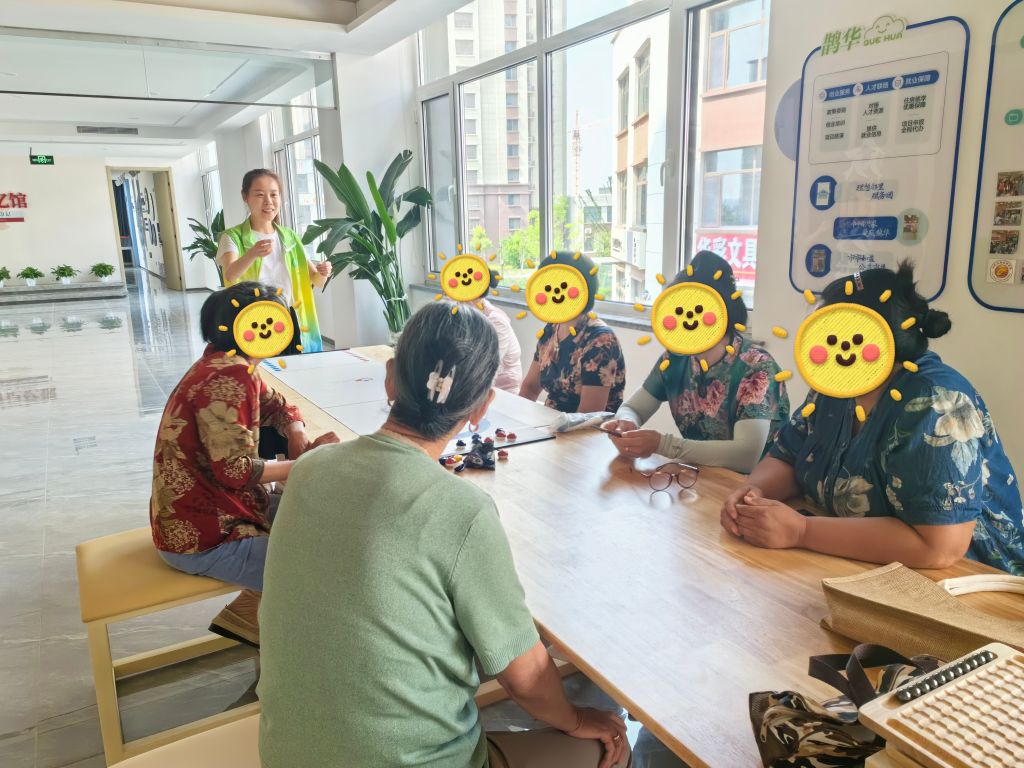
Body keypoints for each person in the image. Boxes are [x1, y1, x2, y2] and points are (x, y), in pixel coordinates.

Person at [258, 301, 630, 768]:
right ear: (483, 407)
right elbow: (524, 677)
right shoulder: (462, 510)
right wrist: (577, 719)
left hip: (284, 754)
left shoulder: (309, 469)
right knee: (608, 743)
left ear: (390, 378)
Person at [721, 262, 1024, 575]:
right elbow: (788, 455)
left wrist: (801, 531)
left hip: (970, 581)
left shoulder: (935, 401)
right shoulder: (837, 383)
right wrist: (753, 493)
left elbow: (940, 547)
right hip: (856, 565)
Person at [150, 282, 339, 647]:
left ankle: (252, 610)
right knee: (329, 566)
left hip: (209, 517)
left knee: (320, 518)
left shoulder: (225, 362)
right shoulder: (230, 375)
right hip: (206, 537)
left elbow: (280, 406)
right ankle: (273, 630)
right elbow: (235, 471)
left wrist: (296, 432)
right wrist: (307, 462)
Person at [602, 252, 790, 473]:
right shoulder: (676, 358)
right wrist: (627, 423)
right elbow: (633, 408)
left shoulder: (757, 366)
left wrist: (662, 445)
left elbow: (746, 456)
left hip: (754, 486)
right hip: (699, 478)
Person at [217, 168, 331, 353]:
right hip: (253, 319)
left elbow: (316, 281)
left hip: (291, 317)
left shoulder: (289, 237)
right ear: (245, 197)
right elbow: (230, 274)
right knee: (260, 368)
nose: (268, 201)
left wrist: (323, 273)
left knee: (294, 367)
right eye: (260, 195)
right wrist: (252, 254)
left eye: (274, 194)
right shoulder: (232, 237)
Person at [520, 251, 626, 413]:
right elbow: (530, 388)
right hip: (552, 421)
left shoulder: (600, 339)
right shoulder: (551, 329)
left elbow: (588, 416)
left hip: (589, 427)